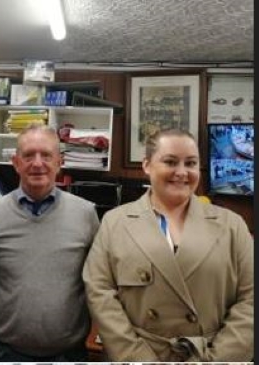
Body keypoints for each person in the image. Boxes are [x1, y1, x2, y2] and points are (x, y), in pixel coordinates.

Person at [83, 129, 253, 362]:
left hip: (209, 355)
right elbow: (99, 293)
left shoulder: (232, 225)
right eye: (170, 161)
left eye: (191, 163)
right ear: (147, 165)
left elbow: (251, 300)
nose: (182, 172)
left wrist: (217, 359)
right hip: (141, 355)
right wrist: (136, 357)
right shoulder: (115, 222)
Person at [0, 124, 100, 362]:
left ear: (59, 162)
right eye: (28, 155)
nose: (37, 163)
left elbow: (96, 279)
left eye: (46, 155)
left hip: (68, 355)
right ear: (16, 162)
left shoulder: (85, 214)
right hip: (6, 354)